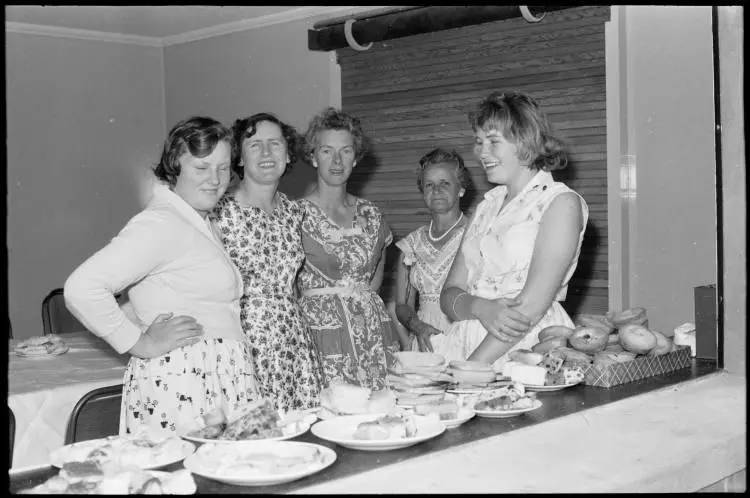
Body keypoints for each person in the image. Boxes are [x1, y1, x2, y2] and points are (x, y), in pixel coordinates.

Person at [64, 116, 259, 436]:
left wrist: (139, 317)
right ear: (174, 167)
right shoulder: (162, 223)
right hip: (187, 385)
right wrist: (139, 343)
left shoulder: (197, 220)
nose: (216, 179)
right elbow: (81, 289)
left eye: (223, 168)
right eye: (201, 168)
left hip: (217, 378)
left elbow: (163, 290)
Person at [438, 91, 589, 370]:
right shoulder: (485, 208)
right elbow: (448, 296)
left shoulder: (560, 203)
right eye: (479, 142)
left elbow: (528, 309)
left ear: (525, 142)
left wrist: (469, 370)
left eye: (494, 141)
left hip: (523, 348)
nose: (481, 152)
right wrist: (480, 308)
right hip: (465, 342)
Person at [212, 112, 323, 412]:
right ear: (238, 157)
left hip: (293, 339)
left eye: (274, 143)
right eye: (254, 144)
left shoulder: (294, 211)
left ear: (288, 154)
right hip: (244, 339)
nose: (266, 153)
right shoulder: (219, 211)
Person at [296, 107, 400, 390]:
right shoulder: (294, 215)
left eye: (346, 151)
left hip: (371, 331)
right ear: (313, 156)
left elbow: (375, 277)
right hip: (321, 336)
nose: (337, 161)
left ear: (356, 157)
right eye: (327, 150)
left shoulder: (372, 214)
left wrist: (357, 304)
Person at [392, 148, 471, 353]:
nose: (436, 190)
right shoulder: (411, 245)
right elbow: (401, 305)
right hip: (425, 341)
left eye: (445, 183)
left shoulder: (477, 234)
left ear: (461, 188)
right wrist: (418, 327)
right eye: (429, 185)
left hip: (466, 335)